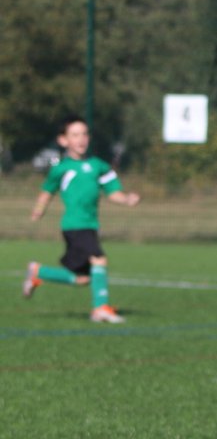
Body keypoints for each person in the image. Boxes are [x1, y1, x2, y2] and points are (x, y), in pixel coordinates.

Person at [25, 114, 140, 323]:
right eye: (75, 134)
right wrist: (38, 210)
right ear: (63, 140)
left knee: (83, 278)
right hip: (74, 225)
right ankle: (100, 309)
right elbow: (47, 191)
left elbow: (113, 192)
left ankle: (38, 271)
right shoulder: (61, 168)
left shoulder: (99, 165)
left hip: (90, 225)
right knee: (99, 259)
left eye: (84, 134)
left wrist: (126, 199)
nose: (81, 139)